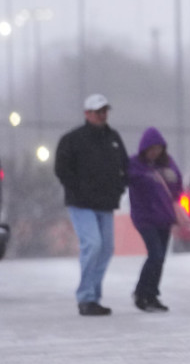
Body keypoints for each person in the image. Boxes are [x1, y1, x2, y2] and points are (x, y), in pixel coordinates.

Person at [54, 93, 129, 316]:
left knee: (106, 249)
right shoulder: (72, 139)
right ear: (87, 114)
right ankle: (86, 297)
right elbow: (62, 169)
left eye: (105, 111)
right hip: (81, 203)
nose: (103, 115)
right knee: (93, 245)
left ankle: (93, 296)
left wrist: (120, 186)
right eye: (98, 112)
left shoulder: (113, 138)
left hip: (106, 203)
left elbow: (124, 165)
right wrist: (77, 189)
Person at [127, 127, 183, 312]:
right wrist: (146, 176)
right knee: (155, 255)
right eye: (151, 148)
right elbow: (129, 179)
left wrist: (172, 179)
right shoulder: (135, 164)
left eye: (158, 148)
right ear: (144, 148)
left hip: (164, 217)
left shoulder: (168, 164)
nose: (154, 152)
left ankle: (152, 295)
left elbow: (177, 187)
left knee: (159, 258)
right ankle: (141, 293)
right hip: (145, 218)